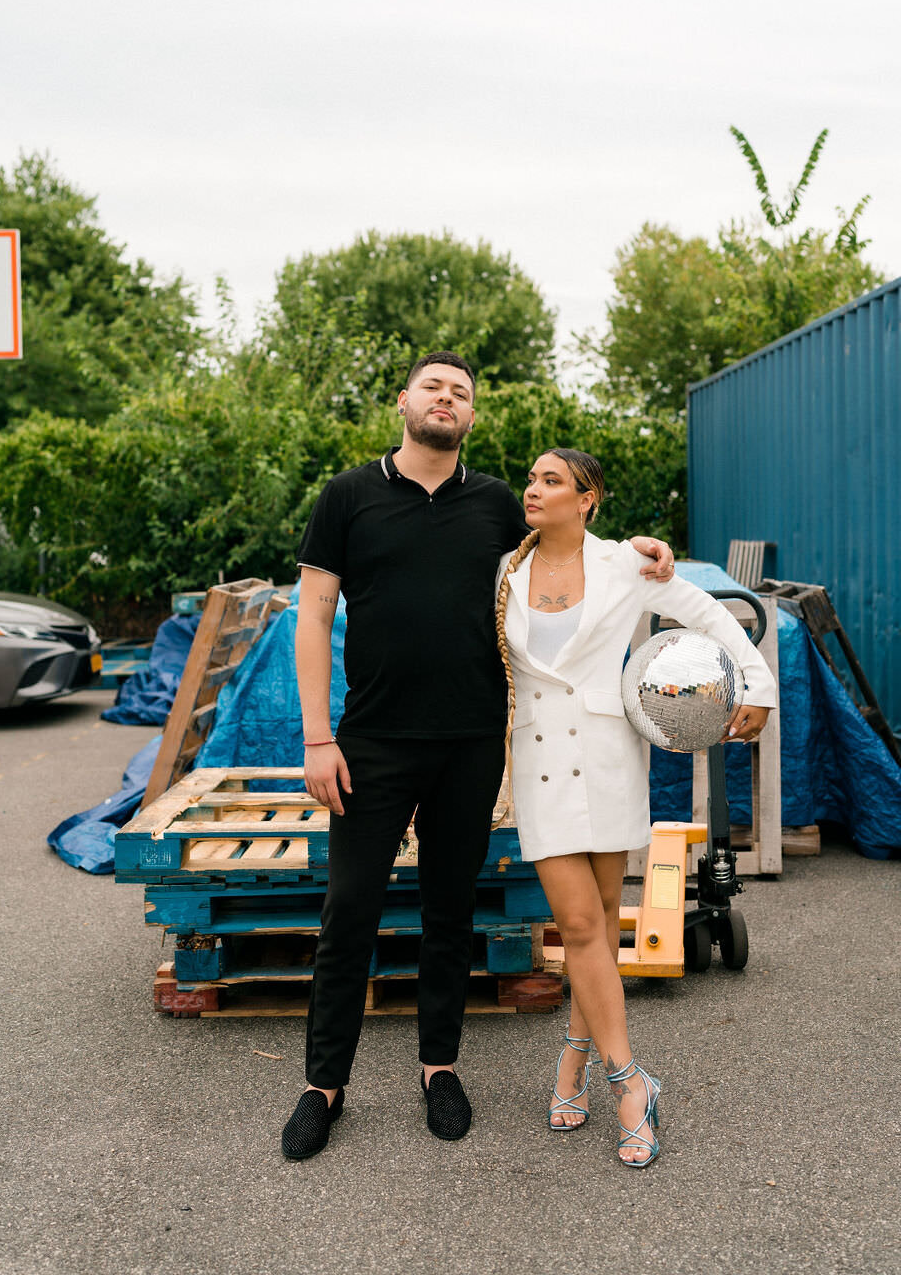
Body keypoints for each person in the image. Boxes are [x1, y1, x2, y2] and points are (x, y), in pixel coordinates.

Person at [281, 354, 676, 1161]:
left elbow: (573, 543)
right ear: (403, 402)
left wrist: (644, 547)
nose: (447, 399)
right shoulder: (348, 497)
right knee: (349, 911)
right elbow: (314, 618)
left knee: (448, 914)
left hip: (469, 745)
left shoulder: (498, 503)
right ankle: (324, 1087)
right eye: (434, 387)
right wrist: (318, 738)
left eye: (461, 392)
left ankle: (440, 1069)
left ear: (471, 415)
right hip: (370, 744)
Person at [494, 448, 776, 1168]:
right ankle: (632, 1082)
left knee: (593, 932)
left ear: (587, 498)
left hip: (611, 762)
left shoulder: (626, 564)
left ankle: (572, 1061)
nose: (534, 488)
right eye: (531, 478)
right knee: (581, 925)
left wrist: (755, 683)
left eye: (551, 480)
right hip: (540, 764)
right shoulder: (506, 573)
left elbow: (710, 617)